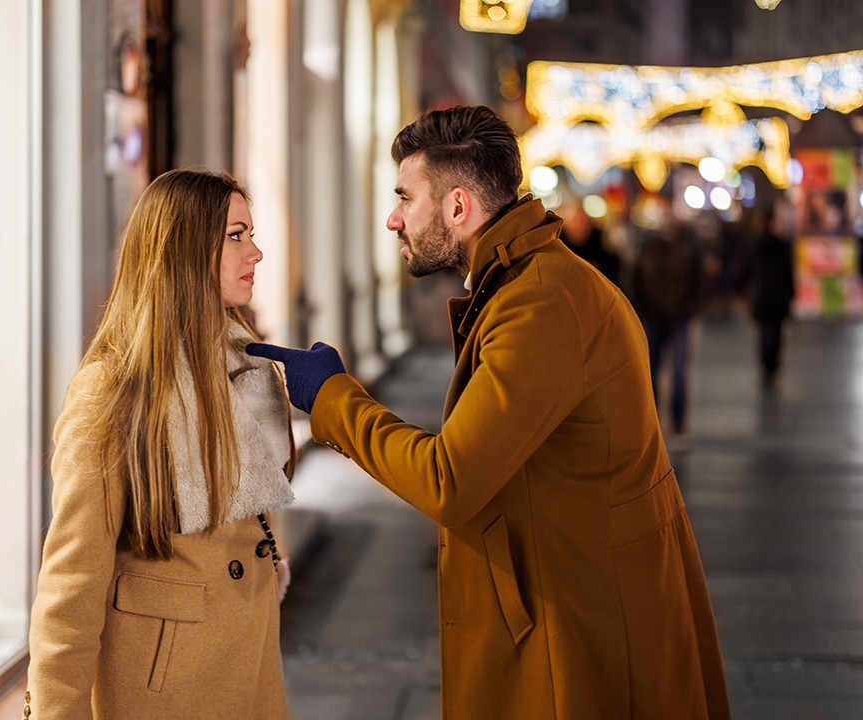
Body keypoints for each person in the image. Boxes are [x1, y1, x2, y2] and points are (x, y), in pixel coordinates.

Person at [248, 106, 730, 719]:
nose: (393, 219)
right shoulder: (525, 284)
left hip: (578, 632)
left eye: (405, 198)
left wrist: (332, 397)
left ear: (457, 208)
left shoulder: (541, 303)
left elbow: (450, 479)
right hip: (570, 602)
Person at [25, 168, 295, 720]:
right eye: (237, 236)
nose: (257, 253)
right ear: (186, 250)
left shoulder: (242, 364)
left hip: (249, 659)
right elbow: (71, 583)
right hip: (166, 686)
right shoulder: (115, 387)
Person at [629, 213, 704, 442]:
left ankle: (678, 424)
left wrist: (689, 308)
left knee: (679, 371)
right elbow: (636, 281)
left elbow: (697, 283)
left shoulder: (688, 250)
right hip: (652, 317)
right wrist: (643, 309)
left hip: (679, 317)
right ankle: (652, 423)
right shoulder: (647, 250)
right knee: (650, 371)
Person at [739, 200, 796, 388]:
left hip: (763, 296)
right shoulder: (781, 245)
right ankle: (772, 366)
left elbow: (745, 270)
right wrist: (790, 293)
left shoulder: (756, 245)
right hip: (776, 297)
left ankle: (767, 365)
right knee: (776, 333)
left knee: (766, 332)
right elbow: (788, 273)